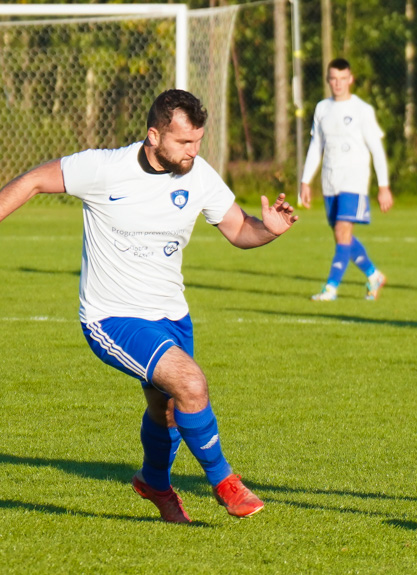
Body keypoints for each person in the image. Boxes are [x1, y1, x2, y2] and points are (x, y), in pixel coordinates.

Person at [0, 89, 299, 523]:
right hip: (113, 316)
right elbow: (30, 181)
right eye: (184, 142)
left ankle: (155, 484)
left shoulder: (199, 175)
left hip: (171, 314)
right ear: (154, 135)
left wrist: (267, 229)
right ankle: (225, 482)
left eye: (197, 141)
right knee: (191, 383)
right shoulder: (104, 168)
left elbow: (238, 230)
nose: (193, 151)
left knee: (171, 411)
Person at [301, 58, 393, 301]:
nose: (338, 83)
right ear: (328, 80)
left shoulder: (362, 110)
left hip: (354, 180)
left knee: (342, 231)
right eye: (333, 78)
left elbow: (377, 149)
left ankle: (331, 288)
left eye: (343, 79)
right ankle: (374, 276)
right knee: (342, 236)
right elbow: (316, 145)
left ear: (350, 79)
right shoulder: (322, 108)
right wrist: (305, 181)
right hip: (330, 181)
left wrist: (384, 186)